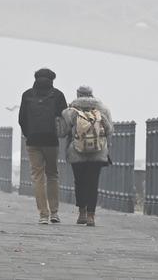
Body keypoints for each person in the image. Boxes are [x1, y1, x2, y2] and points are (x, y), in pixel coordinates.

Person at [19, 68, 68, 224]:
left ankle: (43, 215)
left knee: (38, 177)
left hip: (33, 141)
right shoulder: (58, 95)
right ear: (52, 79)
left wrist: (29, 134)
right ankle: (54, 213)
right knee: (52, 175)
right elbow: (64, 119)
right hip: (51, 141)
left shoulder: (27, 95)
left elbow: (22, 119)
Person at [60, 85, 113, 226]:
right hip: (98, 152)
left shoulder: (70, 111)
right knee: (92, 183)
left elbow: (62, 132)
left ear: (77, 94)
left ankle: (82, 213)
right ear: (92, 94)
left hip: (76, 152)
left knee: (80, 182)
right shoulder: (103, 110)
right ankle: (91, 216)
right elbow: (109, 130)